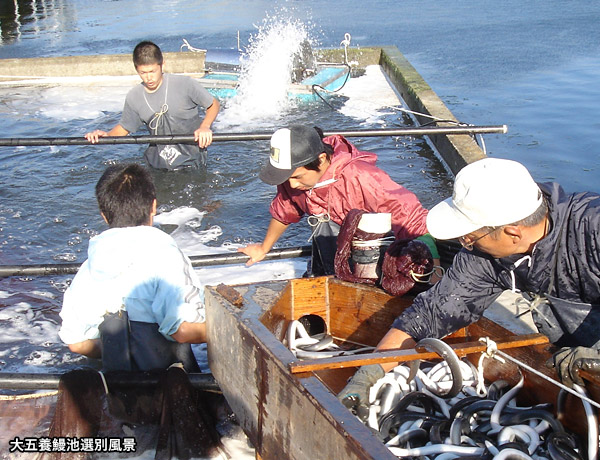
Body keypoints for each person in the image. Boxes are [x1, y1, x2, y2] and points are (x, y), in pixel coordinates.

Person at [338, 157, 600, 419]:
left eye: (470, 237)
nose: (465, 244)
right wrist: (369, 373)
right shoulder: (486, 256)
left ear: (512, 233)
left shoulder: (592, 228)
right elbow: (433, 312)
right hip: (570, 350)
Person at [58, 163, 207, 372]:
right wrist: (231, 331)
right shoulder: (165, 254)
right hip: (173, 383)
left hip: (121, 389)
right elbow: (183, 329)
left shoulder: (89, 267)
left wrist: (122, 350)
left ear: (103, 214)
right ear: (153, 206)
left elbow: (76, 343)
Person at [237, 125, 438, 277]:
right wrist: (264, 248)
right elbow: (285, 210)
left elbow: (411, 218)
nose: (292, 185)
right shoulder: (293, 181)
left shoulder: (361, 177)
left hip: (372, 263)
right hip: (330, 261)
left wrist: (433, 270)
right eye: (285, 178)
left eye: (297, 177)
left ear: (322, 159)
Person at [85, 41, 220, 170]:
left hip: (192, 160)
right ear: (136, 69)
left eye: (152, 71)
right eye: (143, 73)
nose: (149, 78)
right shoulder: (134, 97)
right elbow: (124, 128)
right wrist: (106, 136)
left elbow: (213, 104)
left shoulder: (185, 84)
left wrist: (205, 127)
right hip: (158, 164)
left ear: (162, 65)